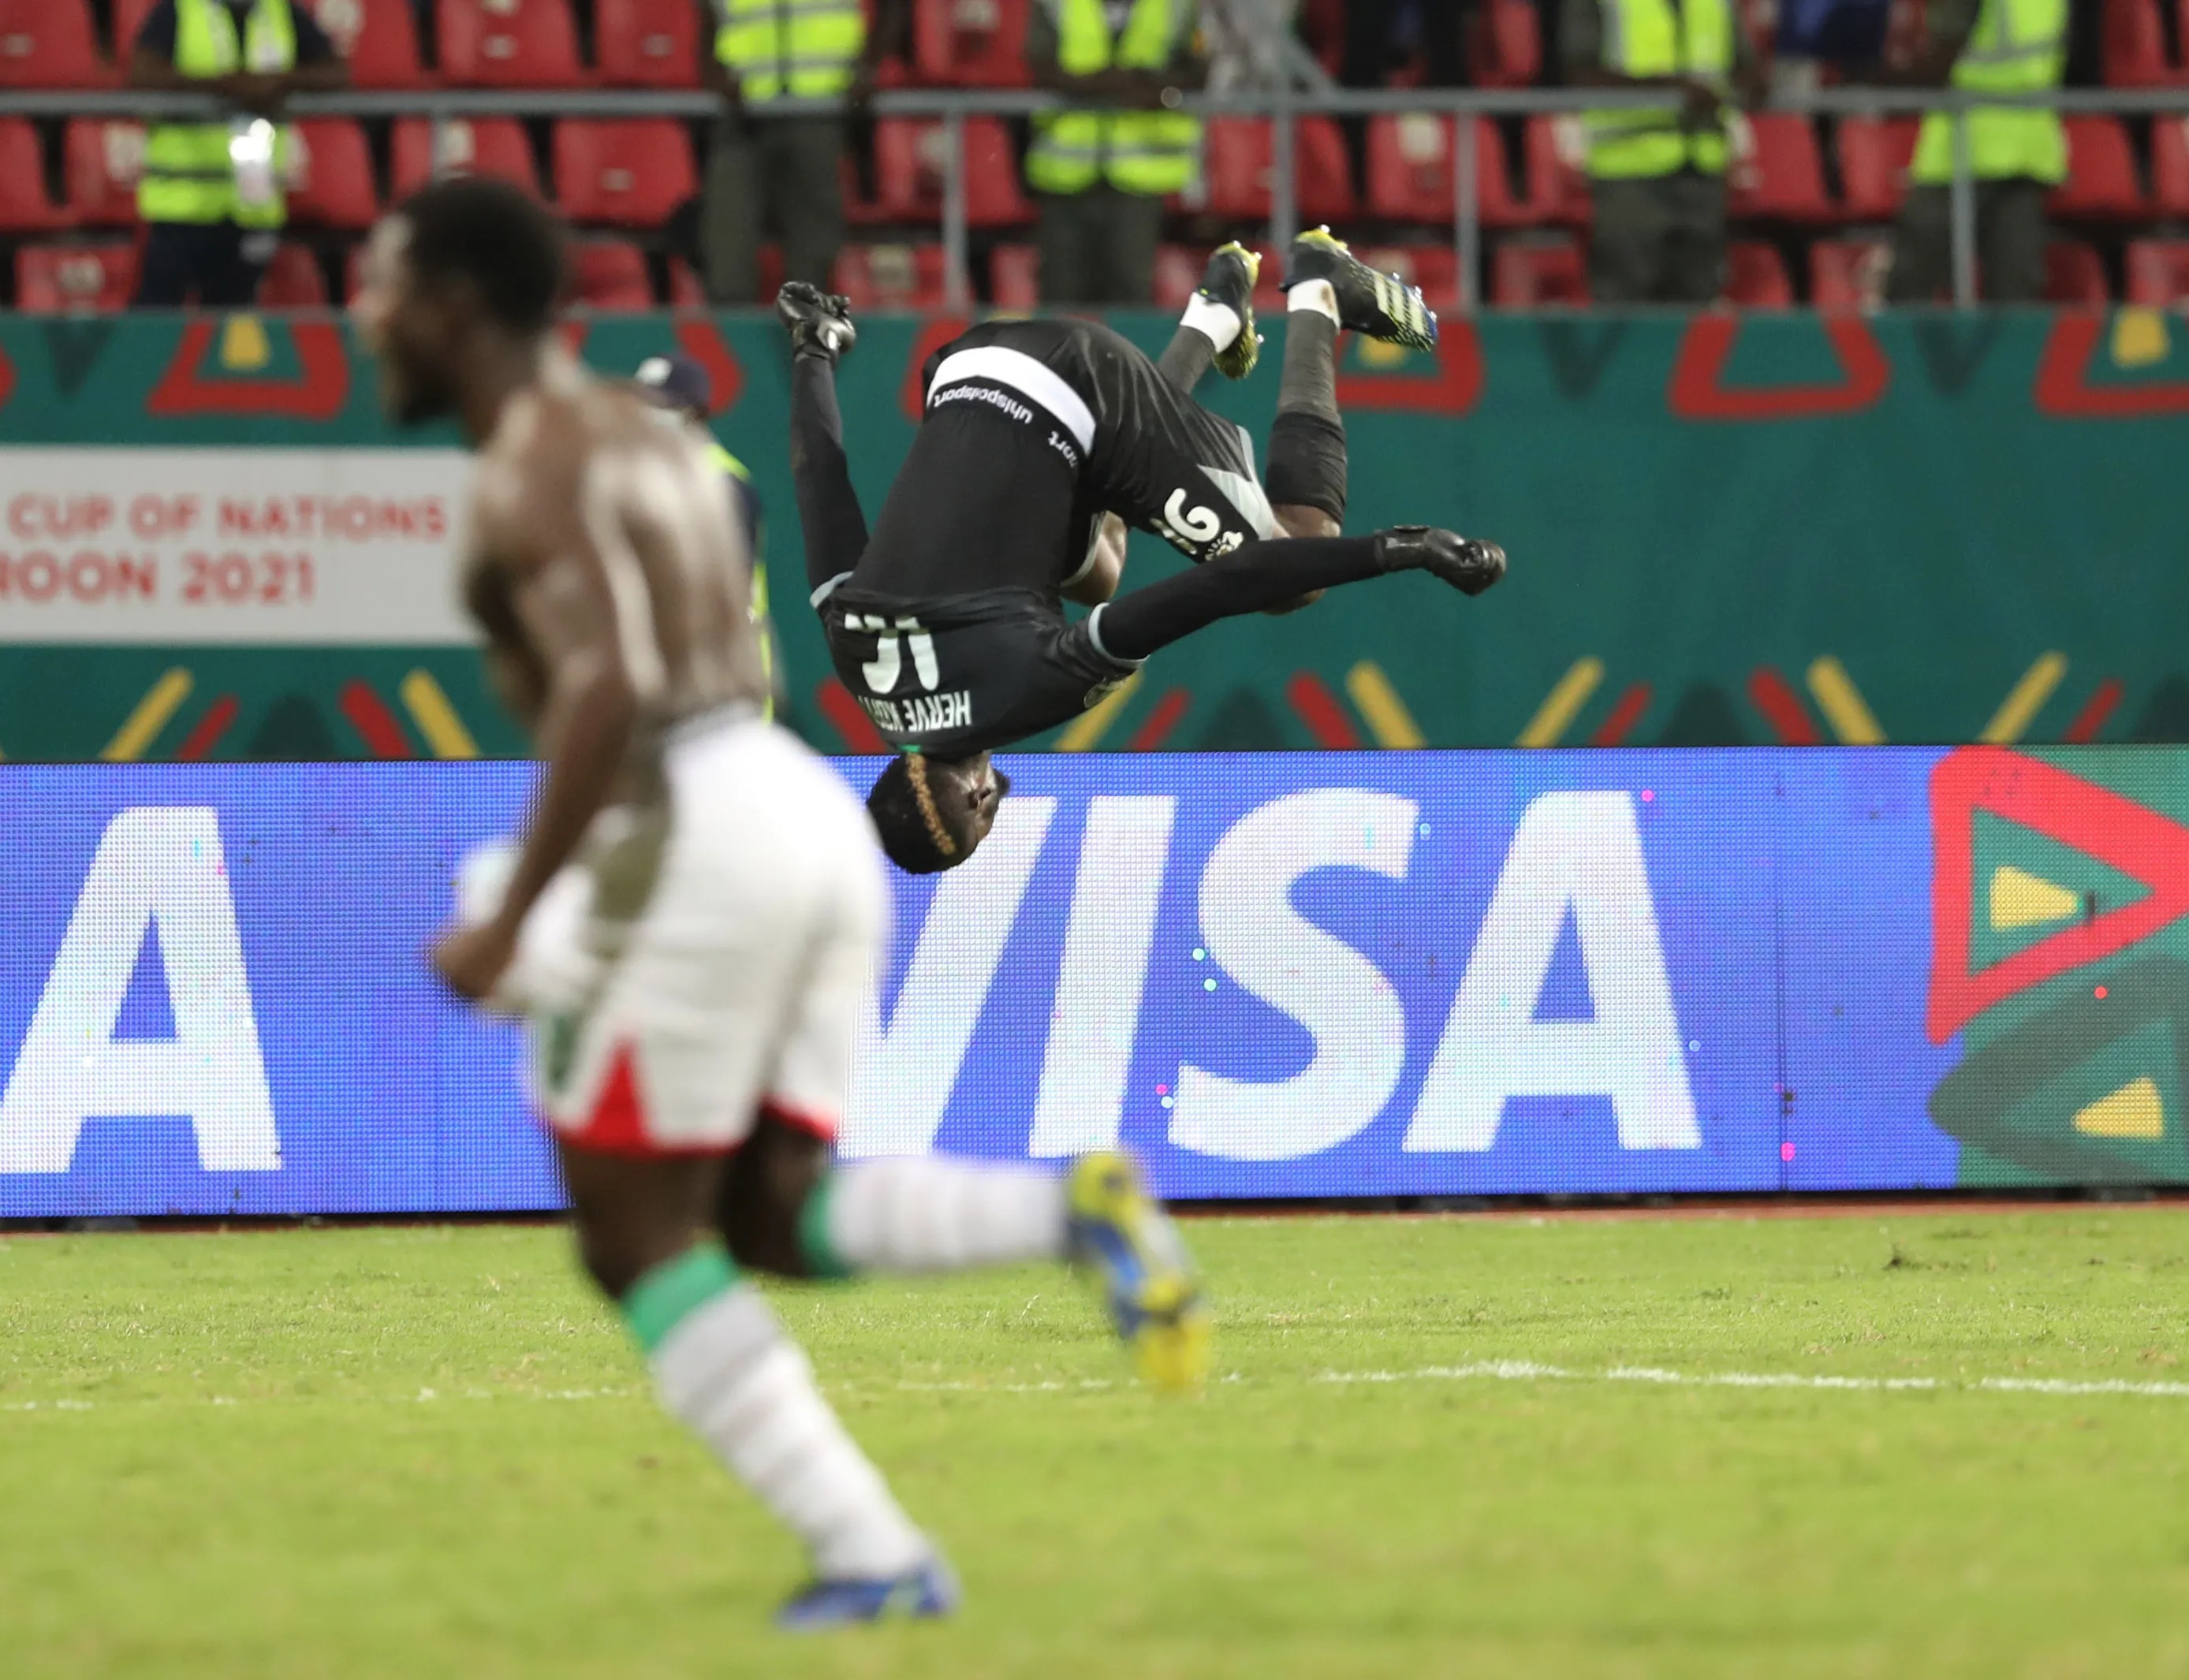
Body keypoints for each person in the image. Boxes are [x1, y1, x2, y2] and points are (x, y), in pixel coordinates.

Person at [352, 176, 1212, 1632]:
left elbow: (612, 682)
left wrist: (523, 914)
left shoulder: (528, 470)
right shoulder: (637, 437)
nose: (365, 314)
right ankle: (1070, 1212)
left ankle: (874, 1554)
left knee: (633, 1235)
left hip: (690, 828)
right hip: (801, 815)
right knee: (769, 1213)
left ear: (451, 304)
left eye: (379, 282)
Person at [781, 232, 1505, 876]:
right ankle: (1212, 319)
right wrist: (816, 348)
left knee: (1295, 566)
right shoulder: (855, 657)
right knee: (1093, 572)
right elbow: (819, 478)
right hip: (964, 368)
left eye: (981, 827)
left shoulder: (1026, 691)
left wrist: (1399, 549)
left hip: (1082, 389)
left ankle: (1320, 290)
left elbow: (1224, 584)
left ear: (975, 796)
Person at [127, 0, 349, 309]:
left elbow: (336, 73)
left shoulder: (281, 12)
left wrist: (278, 82)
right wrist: (226, 86)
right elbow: (144, 74)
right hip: (180, 205)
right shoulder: (180, 10)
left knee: (234, 325)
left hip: (252, 204)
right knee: (157, 321)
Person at [698, 0, 908, 304]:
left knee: (813, 258)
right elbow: (708, 12)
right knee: (726, 250)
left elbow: (895, 8)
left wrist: (869, 66)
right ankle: (730, 342)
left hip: (820, 106)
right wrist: (712, 70)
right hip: (742, 110)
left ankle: (808, 345)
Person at [1563, 0, 1765, 304]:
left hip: (1702, 167)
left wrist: (1736, 88)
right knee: (1625, 304)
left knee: (1699, 303)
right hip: (1628, 171)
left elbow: (1747, 72)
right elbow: (1581, 74)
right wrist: (1667, 88)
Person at [1878, 0, 2065, 303]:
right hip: (2028, 148)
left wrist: (1863, 78)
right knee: (2016, 297)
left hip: (1964, 147)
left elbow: (1937, 62)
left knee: (1912, 289)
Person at [631, 352, 785, 720]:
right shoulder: (648, 482)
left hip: (726, 689)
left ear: (695, 414)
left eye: (660, 405)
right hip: (670, 690)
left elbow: (723, 593)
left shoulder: (724, 485)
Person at [1024, 0, 1207, 306]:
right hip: (1066, 172)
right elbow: (1038, 64)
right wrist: (1099, 85)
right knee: (1061, 291)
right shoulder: (1057, 4)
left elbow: (1198, 68)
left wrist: (1156, 89)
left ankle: (1122, 355)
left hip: (1139, 173)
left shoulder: (1175, 6)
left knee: (1131, 290)